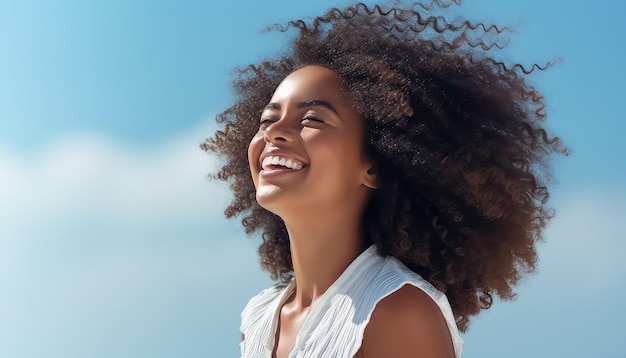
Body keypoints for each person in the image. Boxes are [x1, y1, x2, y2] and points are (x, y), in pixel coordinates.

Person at [202, 1, 567, 357]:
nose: (274, 133)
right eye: (267, 119)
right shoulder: (260, 316)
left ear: (374, 166)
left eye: (312, 119)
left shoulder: (398, 311)